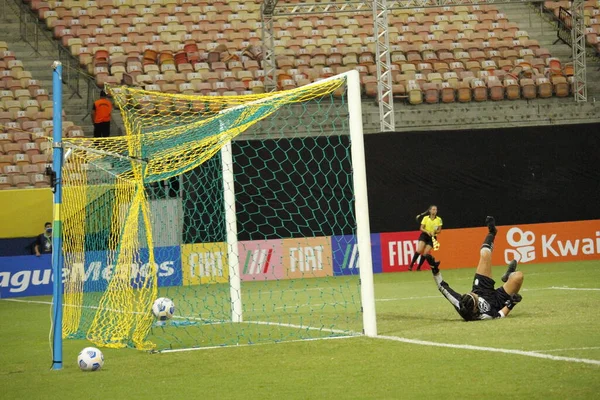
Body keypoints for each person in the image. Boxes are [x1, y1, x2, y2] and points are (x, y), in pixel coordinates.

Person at [422, 216, 524, 321]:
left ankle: (492, 232)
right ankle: (510, 275)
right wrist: (511, 304)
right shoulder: (484, 315)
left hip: (482, 288)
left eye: (471, 294)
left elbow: (443, 287)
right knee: (518, 276)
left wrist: (435, 269)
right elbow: (499, 315)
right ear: (475, 309)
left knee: (485, 254)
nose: (474, 294)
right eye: (475, 296)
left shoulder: (460, 302)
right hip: (497, 302)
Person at [409, 205, 442, 271]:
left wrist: (434, 231)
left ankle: (419, 267)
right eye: (433, 209)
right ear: (429, 210)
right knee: (419, 250)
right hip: (424, 235)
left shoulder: (439, 219)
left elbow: (439, 231)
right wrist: (427, 232)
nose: (434, 211)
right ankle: (411, 265)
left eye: (435, 209)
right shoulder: (425, 218)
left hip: (432, 238)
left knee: (425, 253)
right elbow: (421, 228)